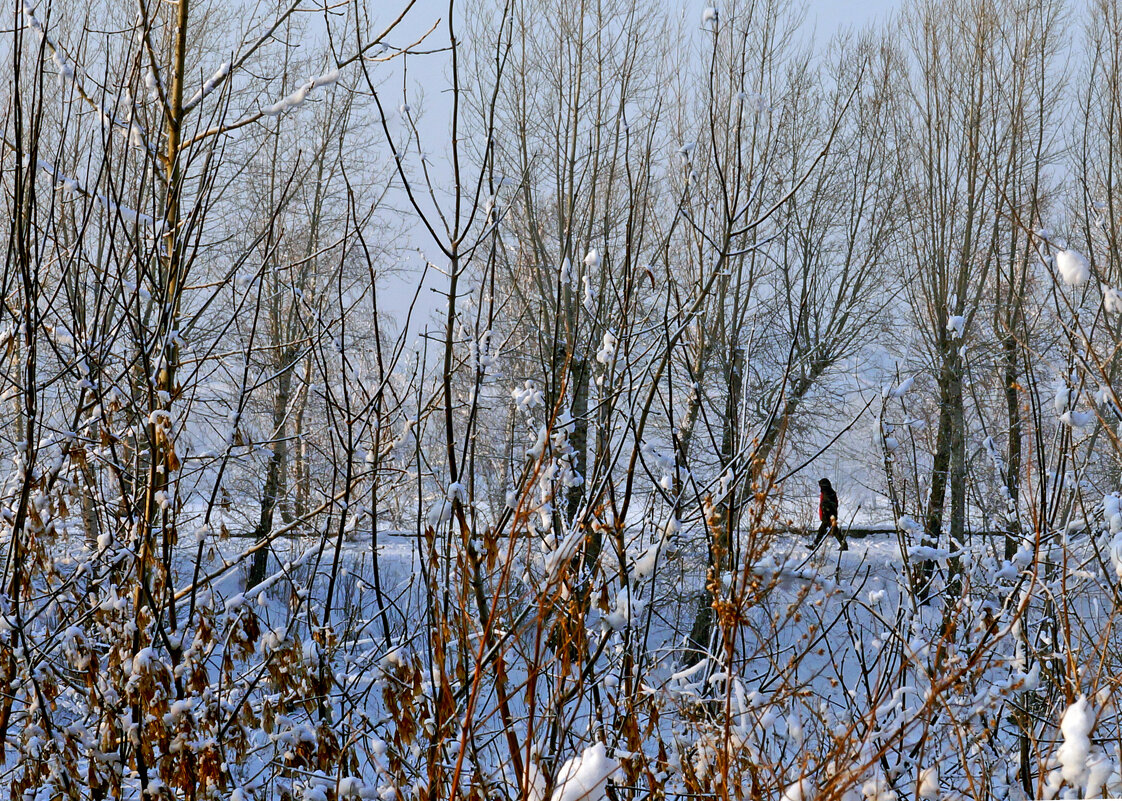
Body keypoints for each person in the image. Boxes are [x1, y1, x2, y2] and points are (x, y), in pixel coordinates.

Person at [814, 477, 847, 551]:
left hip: (827, 515)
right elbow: (835, 504)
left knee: (822, 530)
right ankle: (844, 545)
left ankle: (815, 544)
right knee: (834, 530)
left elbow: (825, 505)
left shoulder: (826, 493)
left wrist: (825, 514)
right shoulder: (830, 492)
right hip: (831, 515)